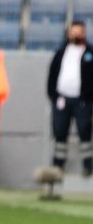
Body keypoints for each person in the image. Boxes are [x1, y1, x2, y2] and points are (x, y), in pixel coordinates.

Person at [46, 20, 93, 176]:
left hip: (82, 101)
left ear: (84, 33)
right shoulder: (61, 53)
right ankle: (58, 166)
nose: (76, 35)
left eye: (79, 32)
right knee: (60, 132)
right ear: (68, 33)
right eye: (74, 31)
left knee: (85, 132)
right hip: (62, 100)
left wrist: (88, 96)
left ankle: (88, 167)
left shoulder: (89, 53)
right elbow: (52, 76)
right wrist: (54, 96)